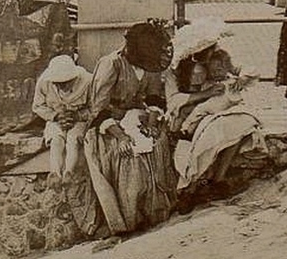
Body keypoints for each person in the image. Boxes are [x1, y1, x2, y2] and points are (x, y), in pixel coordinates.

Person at [76, 21, 176, 235]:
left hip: (135, 116)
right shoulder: (111, 64)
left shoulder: (150, 67)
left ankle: (153, 212)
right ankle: (128, 217)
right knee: (127, 152)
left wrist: (151, 124)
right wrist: (121, 136)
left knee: (156, 142)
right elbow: (98, 109)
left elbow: (153, 97)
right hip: (108, 125)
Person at [167, 18, 265, 201]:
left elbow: (241, 69)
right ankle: (190, 188)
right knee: (205, 138)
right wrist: (205, 93)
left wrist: (242, 77)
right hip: (188, 114)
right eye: (210, 49)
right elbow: (174, 101)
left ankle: (216, 180)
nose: (214, 51)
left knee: (236, 127)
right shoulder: (178, 68)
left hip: (215, 110)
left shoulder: (219, 58)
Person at [33, 54, 93, 180]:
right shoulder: (44, 82)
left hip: (79, 119)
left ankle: (69, 172)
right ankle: (55, 173)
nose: (60, 86)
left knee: (73, 139)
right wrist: (55, 116)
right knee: (56, 139)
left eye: (65, 83)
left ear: (74, 78)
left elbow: (95, 107)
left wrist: (78, 115)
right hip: (56, 118)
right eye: (57, 83)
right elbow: (38, 106)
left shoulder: (88, 81)